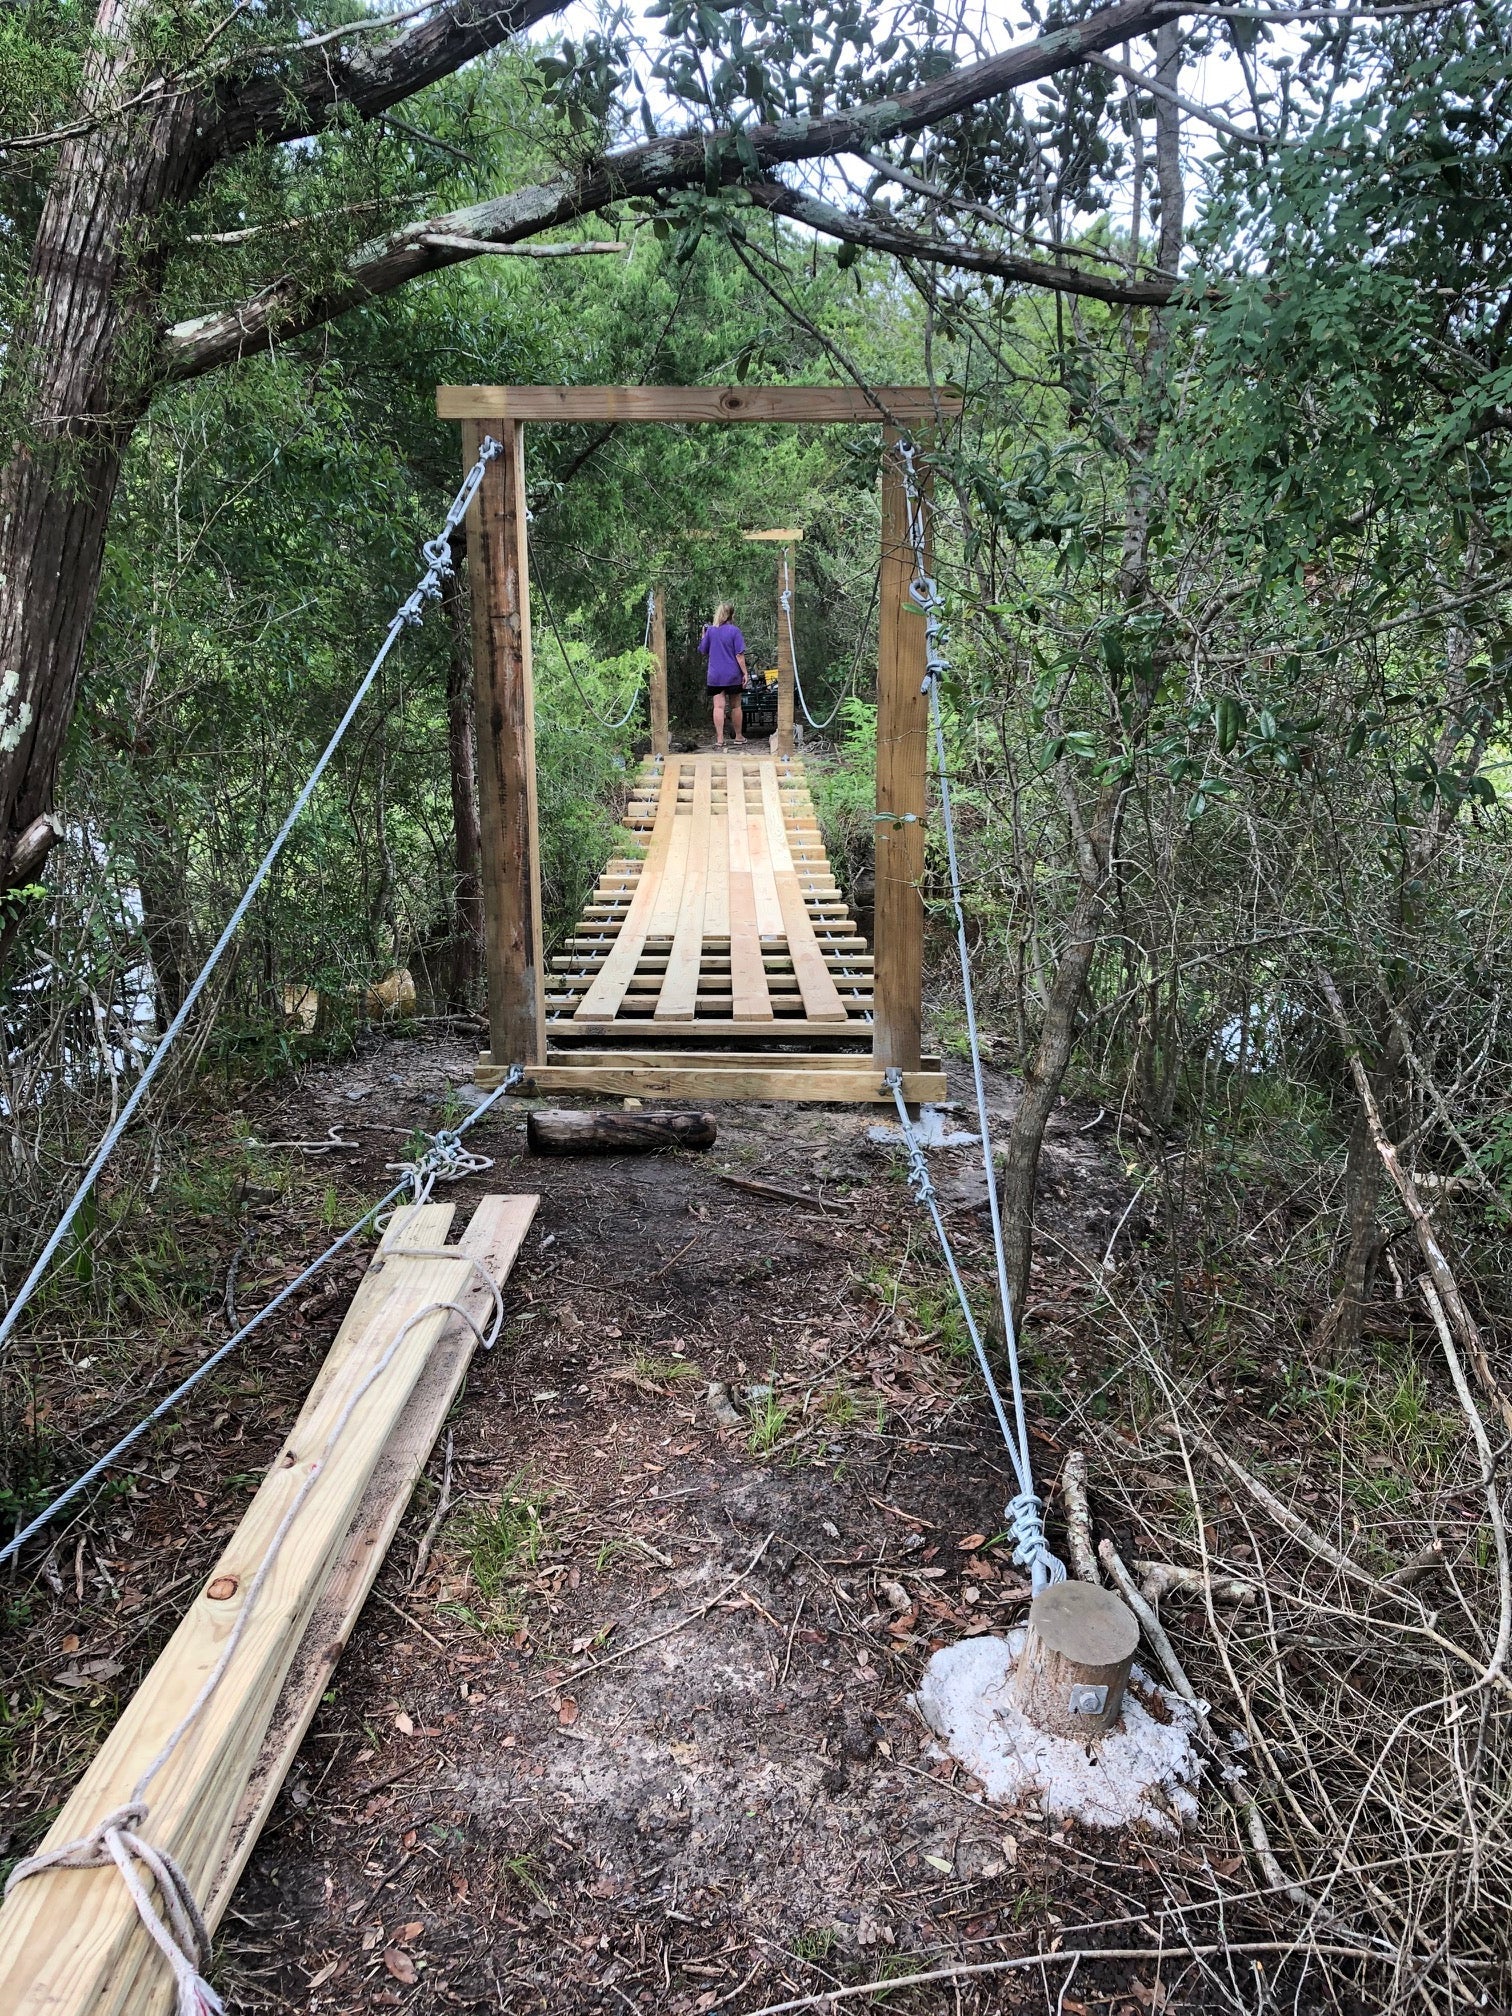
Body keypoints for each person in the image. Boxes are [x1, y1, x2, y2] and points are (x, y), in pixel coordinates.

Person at [699, 601, 747, 748]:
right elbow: (739, 655)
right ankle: (738, 736)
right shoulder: (735, 631)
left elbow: (703, 650)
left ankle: (720, 739)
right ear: (732, 615)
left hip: (715, 676)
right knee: (736, 706)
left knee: (718, 707)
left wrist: (703, 635)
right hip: (733, 675)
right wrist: (745, 673)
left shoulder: (711, 631)